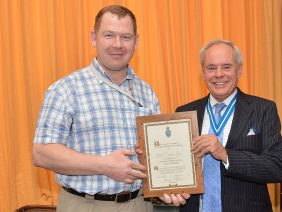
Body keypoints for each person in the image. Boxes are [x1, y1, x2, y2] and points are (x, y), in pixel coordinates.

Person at [33, 5, 187, 212]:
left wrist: (170, 184)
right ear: (94, 38)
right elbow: (41, 153)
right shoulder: (66, 89)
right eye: (109, 35)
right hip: (86, 205)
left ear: (136, 41)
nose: (117, 44)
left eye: (126, 37)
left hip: (140, 204)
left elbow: (154, 156)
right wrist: (103, 165)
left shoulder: (147, 92)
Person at [176, 39, 282, 212]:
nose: (218, 74)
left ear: (239, 70)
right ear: (203, 73)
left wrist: (226, 155)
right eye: (211, 68)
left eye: (226, 67)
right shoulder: (184, 112)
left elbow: (276, 168)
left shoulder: (263, 109)